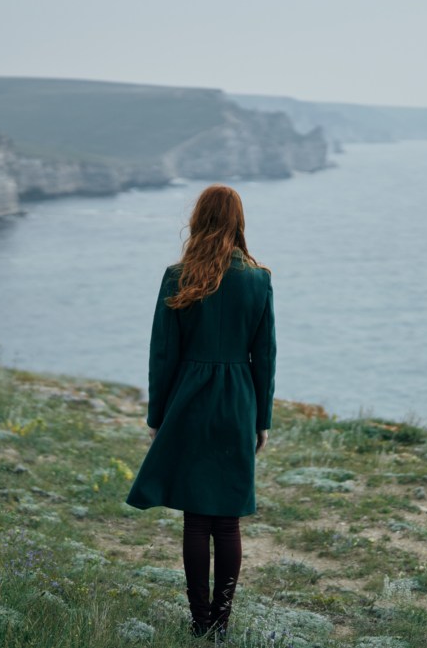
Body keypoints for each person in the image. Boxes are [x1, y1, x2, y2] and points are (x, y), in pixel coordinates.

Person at [125, 183, 276, 640]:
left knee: (196, 517)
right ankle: (221, 627)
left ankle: (199, 623)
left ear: (199, 220)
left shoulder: (178, 277)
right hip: (237, 402)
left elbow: (162, 355)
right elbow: (265, 357)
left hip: (188, 401)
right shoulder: (258, 279)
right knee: (226, 519)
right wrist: (261, 419)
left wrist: (157, 416)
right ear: (237, 221)